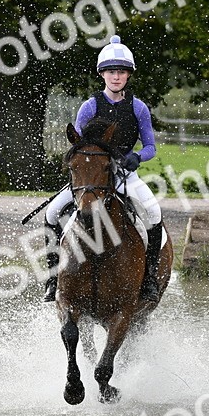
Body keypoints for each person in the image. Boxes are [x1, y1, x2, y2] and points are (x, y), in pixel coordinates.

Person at [43, 35, 164, 303]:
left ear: (128, 75)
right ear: (103, 74)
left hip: (124, 174)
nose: (116, 77)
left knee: (154, 213)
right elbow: (77, 146)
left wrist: (137, 157)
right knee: (52, 213)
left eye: (121, 72)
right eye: (111, 71)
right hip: (93, 177)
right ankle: (53, 279)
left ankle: (150, 278)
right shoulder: (90, 106)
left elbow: (151, 147)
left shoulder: (138, 107)